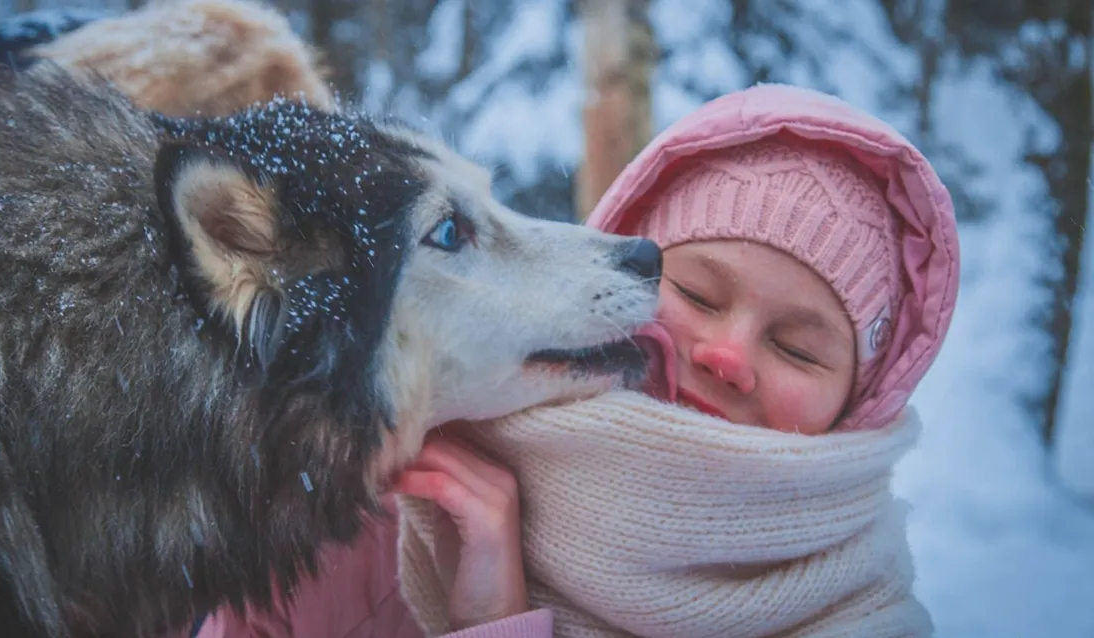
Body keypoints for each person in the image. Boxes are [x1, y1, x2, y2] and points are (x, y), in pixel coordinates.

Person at [199, 83, 959, 638]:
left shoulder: (864, 619)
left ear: (862, 398)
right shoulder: (376, 512)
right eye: (695, 292)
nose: (727, 355)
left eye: (797, 347)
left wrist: (491, 625)